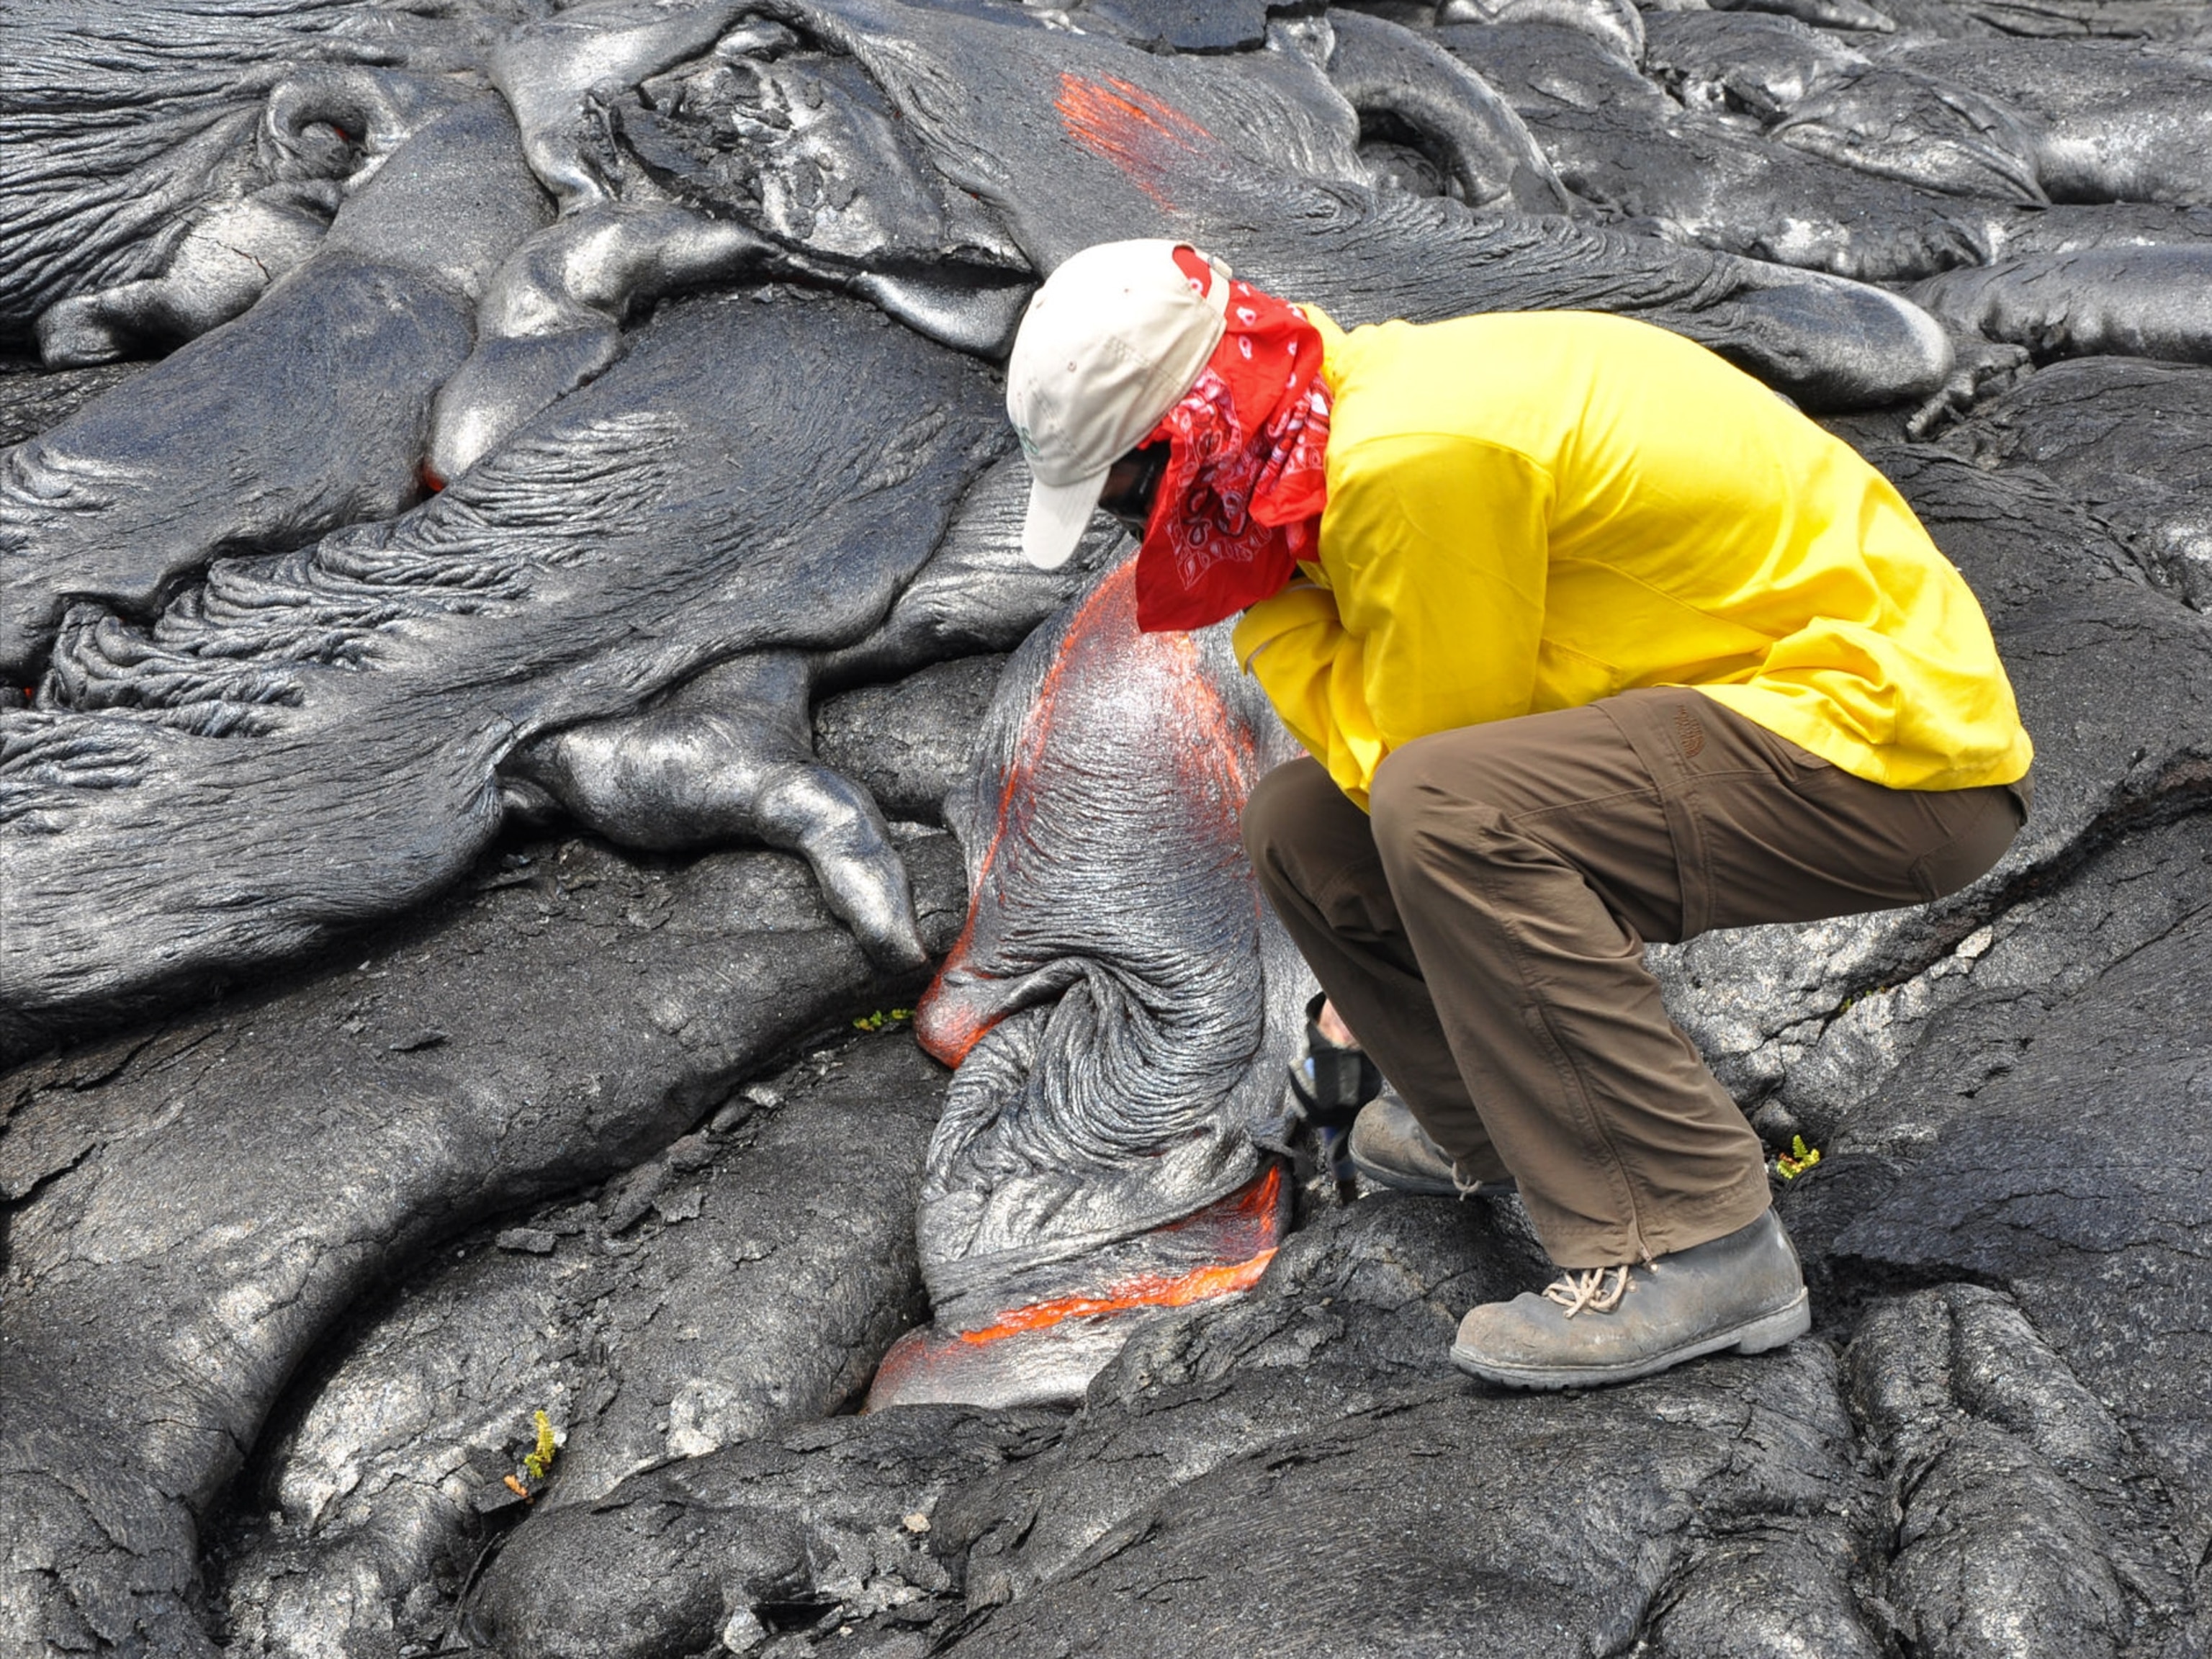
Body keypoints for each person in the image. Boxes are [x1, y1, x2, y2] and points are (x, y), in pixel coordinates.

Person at [1003, 238, 2031, 1390]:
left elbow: (1428, 753)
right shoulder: (1334, 417)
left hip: (1890, 757)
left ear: (1190, 430)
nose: (1138, 532)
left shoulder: (1412, 462)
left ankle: (1696, 1241)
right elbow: (1363, 776)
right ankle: (1500, 1124)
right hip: (1751, 709)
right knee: (1300, 828)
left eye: (1130, 495)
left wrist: (1270, 608)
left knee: (1441, 808)